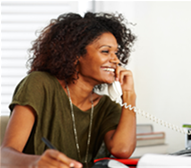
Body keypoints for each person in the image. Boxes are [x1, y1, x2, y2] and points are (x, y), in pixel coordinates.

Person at [1, 12, 136, 168]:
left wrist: (129, 96)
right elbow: (4, 156)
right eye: (106, 51)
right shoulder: (39, 84)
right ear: (76, 54)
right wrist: (36, 162)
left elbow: (122, 150)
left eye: (116, 53)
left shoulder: (107, 106)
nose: (116, 60)